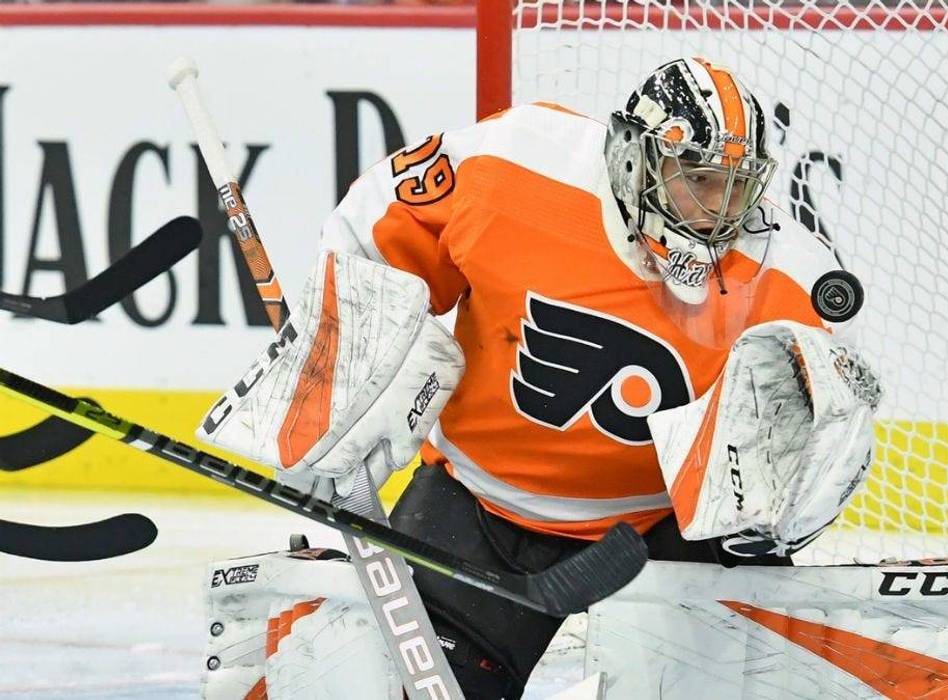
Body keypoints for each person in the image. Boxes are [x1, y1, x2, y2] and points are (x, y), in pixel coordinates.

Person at [204, 57, 879, 699]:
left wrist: (785, 494)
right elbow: (373, 230)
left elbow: (811, 442)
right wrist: (335, 373)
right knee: (397, 688)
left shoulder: (792, 276)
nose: (719, 207)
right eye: (696, 178)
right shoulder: (514, 164)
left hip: (666, 531)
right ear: (633, 154)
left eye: (739, 183)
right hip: (478, 506)